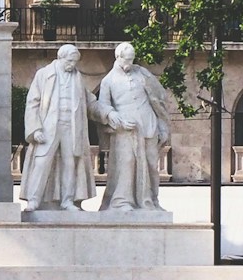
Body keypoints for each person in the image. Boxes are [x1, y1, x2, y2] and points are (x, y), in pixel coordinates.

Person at [94, 41, 172, 212]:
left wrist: (162, 125)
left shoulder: (143, 73)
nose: (130, 63)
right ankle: (123, 201)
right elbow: (103, 106)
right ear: (118, 57)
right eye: (127, 60)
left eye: (132, 59)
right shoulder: (108, 80)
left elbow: (158, 99)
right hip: (124, 129)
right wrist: (115, 117)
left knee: (152, 164)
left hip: (148, 126)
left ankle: (151, 200)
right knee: (126, 163)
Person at [18, 43, 96, 211]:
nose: (72, 65)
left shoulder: (78, 77)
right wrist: (35, 128)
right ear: (60, 58)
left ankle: (67, 200)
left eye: (75, 61)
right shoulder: (44, 74)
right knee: (41, 162)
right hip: (49, 127)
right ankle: (33, 200)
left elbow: (90, 102)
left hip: (72, 126)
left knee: (70, 163)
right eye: (70, 61)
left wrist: (108, 114)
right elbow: (32, 103)